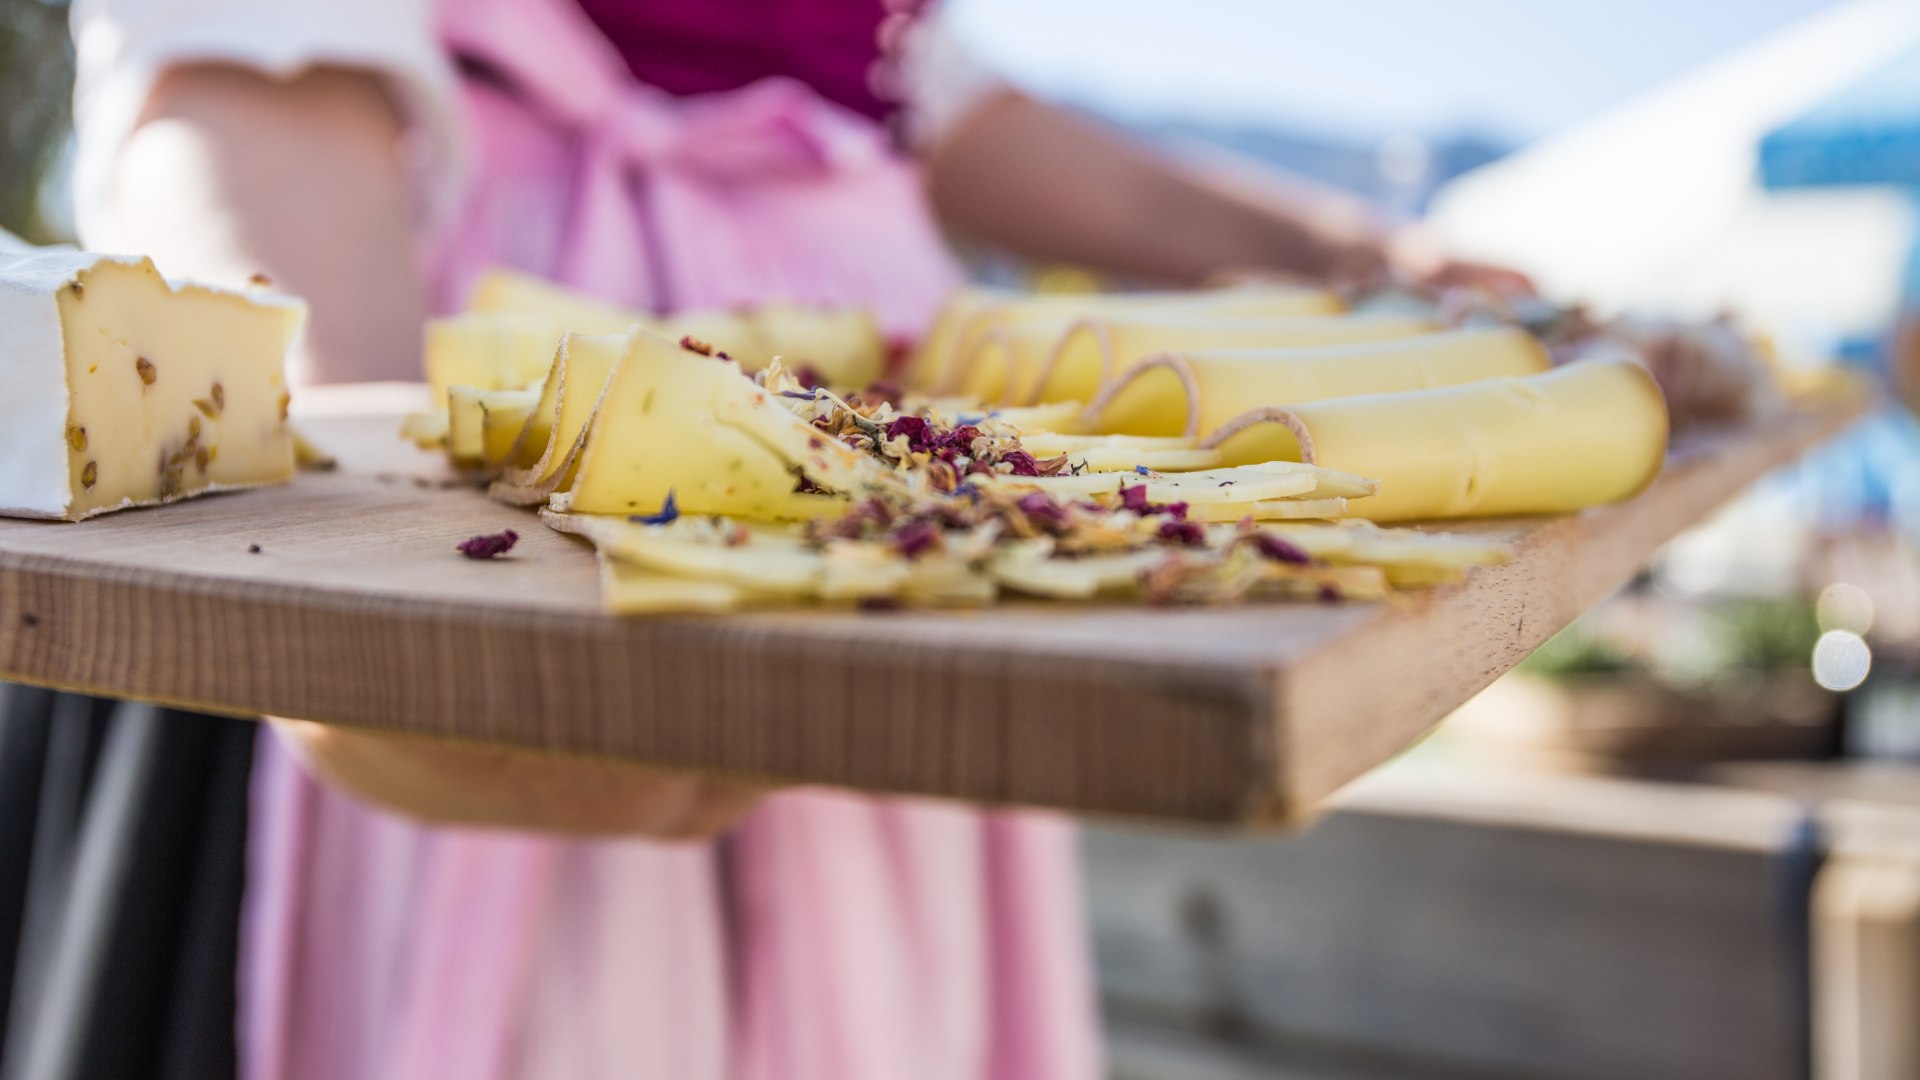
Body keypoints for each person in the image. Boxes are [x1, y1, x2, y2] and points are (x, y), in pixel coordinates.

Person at [21, 1, 1526, 1076]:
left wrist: (1361, 254)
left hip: (874, 520)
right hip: (530, 513)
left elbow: (927, 87)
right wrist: (338, 539)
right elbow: (257, 104)